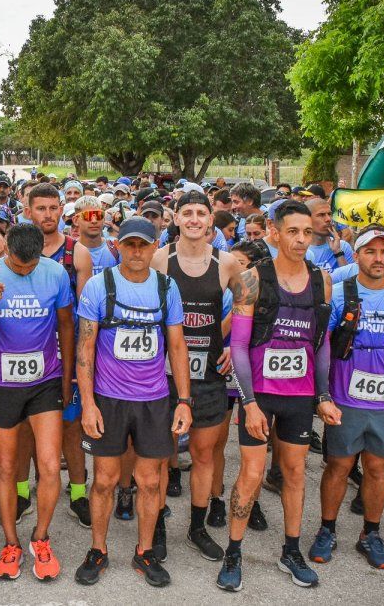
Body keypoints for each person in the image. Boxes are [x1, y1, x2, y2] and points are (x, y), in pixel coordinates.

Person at [220, 200, 332, 592]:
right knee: (251, 474)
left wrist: (324, 395)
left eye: (307, 232)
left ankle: (291, 550)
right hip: (260, 396)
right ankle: (233, 552)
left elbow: (321, 343)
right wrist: (248, 403)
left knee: (295, 473)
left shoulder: (323, 280)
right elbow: (237, 346)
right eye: (293, 232)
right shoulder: (251, 280)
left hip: (299, 397)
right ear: (274, 232)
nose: (301, 240)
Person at [74, 218, 191, 587]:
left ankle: (144, 552)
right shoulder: (98, 286)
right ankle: (98, 549)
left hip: (153, 400)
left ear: (155, 245)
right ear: (117, 245)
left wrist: (184, 401)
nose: (137, 251)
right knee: (105, 480)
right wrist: (88, 404)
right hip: (109, 400)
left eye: (144, 244)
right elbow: (85, 349)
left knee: (150, 481)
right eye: (130, 244)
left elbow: (177, 345)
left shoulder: (166, 287)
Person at [307, 228, 384, 570]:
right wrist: (322, 395)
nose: (378, 258)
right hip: (345, 399)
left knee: (376, 468)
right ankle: (327, 529)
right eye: (370, 251)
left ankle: (370, 534)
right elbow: (321, 347)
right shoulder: (341, 294)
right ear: (355, 255)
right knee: (339, 466)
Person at [0, 223, 75, 581]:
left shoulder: (55, 272)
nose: (25, 271)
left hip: (44, 383)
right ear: (7, 250)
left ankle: (41, 538)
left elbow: (66, 326)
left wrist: (67, 378)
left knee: (48, 464)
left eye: (31, 266)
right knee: (6, 466)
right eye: (18, 265)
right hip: (1, 383)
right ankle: (11, 543)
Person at [152, 190, 245, 563]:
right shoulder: (161, 259)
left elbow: (247, 306)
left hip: (208, 371)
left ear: (211, 220)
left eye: (200, 214)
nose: (193, 219)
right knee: (159, 454)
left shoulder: (228, 263)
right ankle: (156, 525)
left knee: (204, 454)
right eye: (186, 212)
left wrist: (234, 345)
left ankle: (197, 527)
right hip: (163, 372)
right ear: (175, 218)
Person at [27, 184, 91, 528]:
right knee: (26, 429)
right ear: (28, 211)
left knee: (71, 427)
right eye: (41, 208)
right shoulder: (16, 250)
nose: (48, 215)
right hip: (26, 353)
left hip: (63, 353)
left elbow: (87, 315)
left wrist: (81, 364)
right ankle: (25, 489)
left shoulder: (76, 253)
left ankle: (79, 493)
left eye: (53, 208)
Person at [74, 196, 118, 276]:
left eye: (98, 215)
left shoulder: (116, 247)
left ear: (104, 219)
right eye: (88, 216)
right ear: (76, 220)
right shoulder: (69, 251)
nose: (94, 221)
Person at [305, 198, 353, 272]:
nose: (328, 219)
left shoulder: (343, 246)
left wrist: (338, 253)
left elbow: (350, 280)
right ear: (307, 219)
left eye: (329, 214)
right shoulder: (300, 250)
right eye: (321, 215)